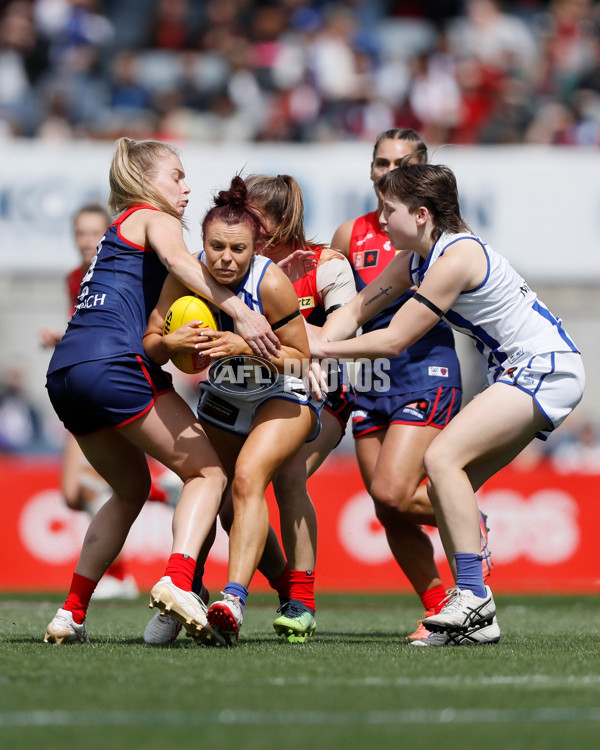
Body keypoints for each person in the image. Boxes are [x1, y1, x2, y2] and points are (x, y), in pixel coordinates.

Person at [312, 160, 585, 645]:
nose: (381, 219)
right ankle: (478, 617)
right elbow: (356, 309)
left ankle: (473, 596)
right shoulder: (415, 257)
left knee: (442, 458)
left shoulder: (454, 258)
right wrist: (316, 351)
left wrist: (319, 348)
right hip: (528, 370)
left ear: (420, 214)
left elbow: (394, 339)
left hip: (543, 367)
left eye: (388, 210)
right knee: (444, 487)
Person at [43, 137, 279, 645]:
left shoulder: (115, 232)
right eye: (177, 175)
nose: (187, 187)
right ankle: (177, 578)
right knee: (209, 472)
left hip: (66, 371)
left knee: (128, 491)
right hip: (113, 364)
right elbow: (180, 263)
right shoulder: (152, 215)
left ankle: (71, 613)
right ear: (147, 182)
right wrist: (241, 311)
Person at [142, 173, 358, 646]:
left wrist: (246, 346)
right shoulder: (185, 275)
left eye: (238, 249)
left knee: (252, 478)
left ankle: (235, 601)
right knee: (213, 498)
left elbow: (301, 361)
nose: (225, 258)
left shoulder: (276, 281)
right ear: (202, 243)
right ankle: (184, 592)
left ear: (257, 244)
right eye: (217, 246)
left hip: (286, 394)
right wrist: (168, 343)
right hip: (224, 400)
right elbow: (152, 346)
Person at [330, 128, 490, 642]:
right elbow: (345, 310)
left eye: (401, 162)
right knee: (386, 505)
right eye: (380, 162)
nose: (387, 171)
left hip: (424, 365)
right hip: (369, 373)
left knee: (393, 491)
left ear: (421, 171)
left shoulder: (434, 235)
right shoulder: (348, 234)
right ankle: (440, 606)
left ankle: (470, 523)